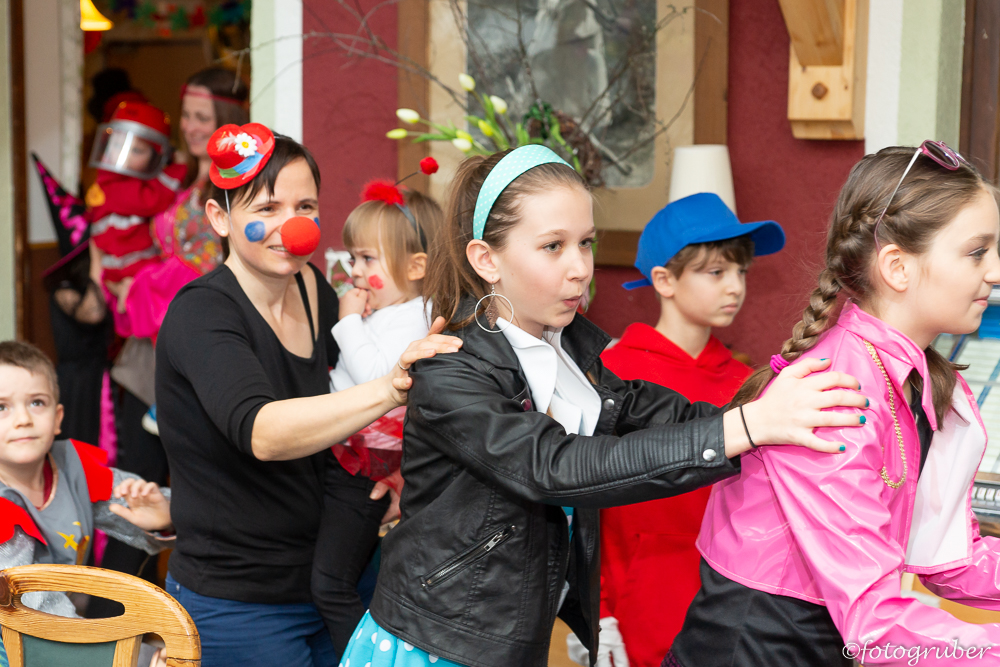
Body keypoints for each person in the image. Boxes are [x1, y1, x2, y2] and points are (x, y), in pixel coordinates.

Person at [336, 145, 870, 667]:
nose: (580, 268)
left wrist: (770, 413)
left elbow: (649, 411)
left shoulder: (565, 353)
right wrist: (744, 428)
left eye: (586, 243)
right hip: (439, 644)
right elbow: (554, 465)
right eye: (553, 246)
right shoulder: (451, 369)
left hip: (508, 644)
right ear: (486, 259)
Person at [667, 142, 1000, 667]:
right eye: (977, 252)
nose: (995, 270)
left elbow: (950, 557)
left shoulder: (918, 383)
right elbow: (875, 623)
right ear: (897, 266)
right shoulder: (833, 396)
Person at [155, 122, 461, 667]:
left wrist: (393, 470)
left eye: (305, 207)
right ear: (220, 218)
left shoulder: (312, 287)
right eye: (267, 208)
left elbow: (345, 408)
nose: (291, 227)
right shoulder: (201, 313)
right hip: (240, 600)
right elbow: (264, 432)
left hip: (336, 573)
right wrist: (391, 386)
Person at [566, 193, 785, 667]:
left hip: (725, 608)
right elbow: (581, 500)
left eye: (741, 271)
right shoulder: (610, 373)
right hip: (632, 605)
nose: (735, 287)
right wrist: (594, 611)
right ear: (664, 280)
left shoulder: (749, 384)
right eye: (716, 272)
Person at [315, 180, 443, 653]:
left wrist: (348, 319)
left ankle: (365, 660)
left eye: (367, 260)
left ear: (416, 267)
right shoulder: (390, 311)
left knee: (331, 584)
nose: (354, 271)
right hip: (344, 455)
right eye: (353, 258)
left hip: (365, 466)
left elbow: (379, 380)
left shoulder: (416, 318)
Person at [0, 341, 172, 667]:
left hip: (57, 632)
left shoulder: (73, 468)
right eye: (1, 407)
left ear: (57, 418)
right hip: (18, 640)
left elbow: (138, 507)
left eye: (36, 402)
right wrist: (138, 658)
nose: (23, 418)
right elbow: (37, 616)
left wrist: (166, 516)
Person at [86, 99, 186, 336]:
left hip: (118, 265)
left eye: (136, 150)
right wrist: (179, 168)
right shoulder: (114, 183)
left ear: (156, 158)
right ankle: (126, 298)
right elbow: (154, 199)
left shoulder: (108, 180)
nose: (121, 154)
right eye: (116, 144)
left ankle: (127, 300)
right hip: (127, 263)